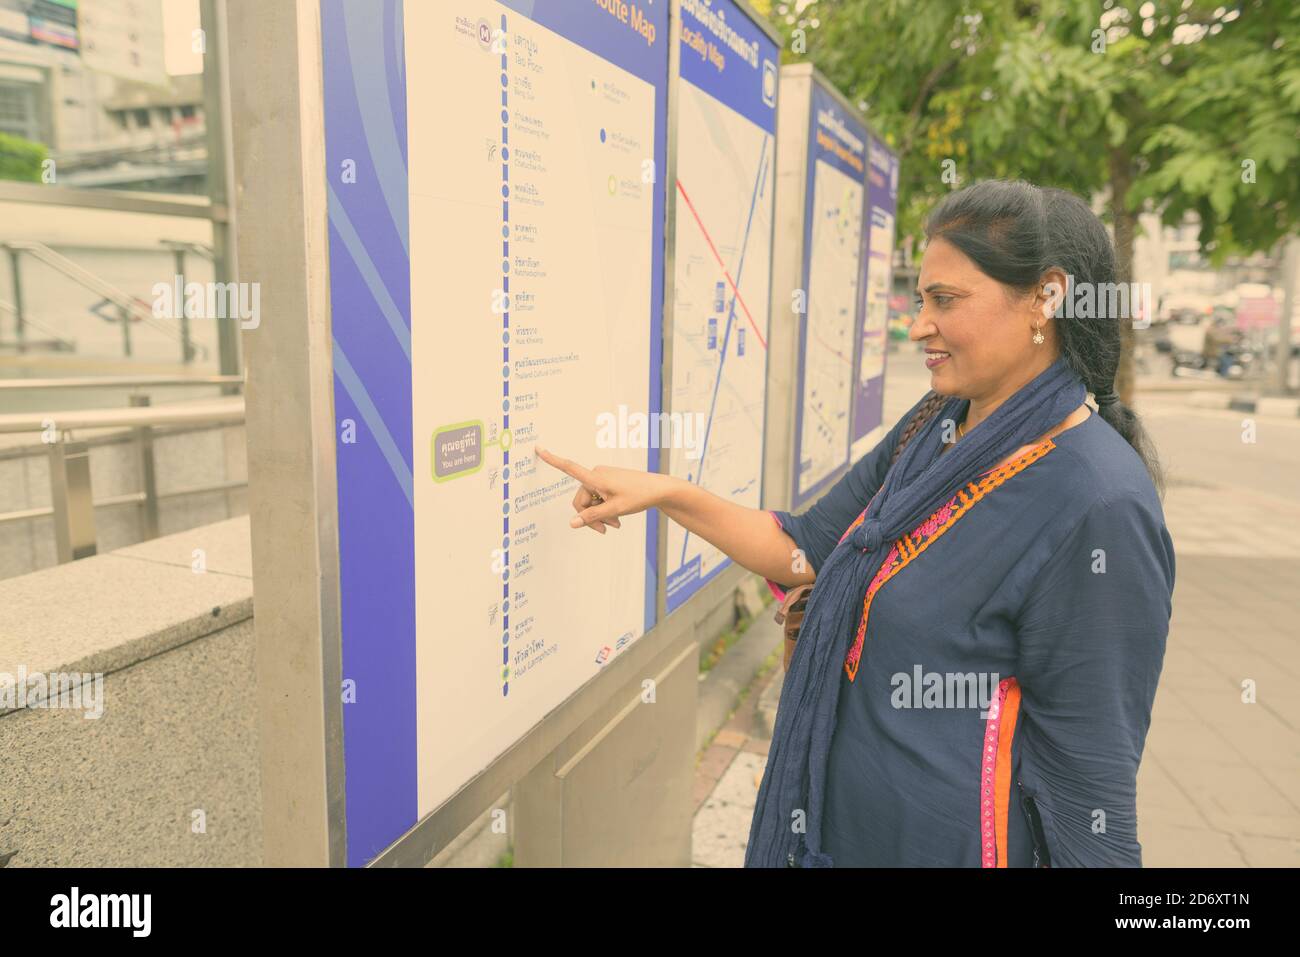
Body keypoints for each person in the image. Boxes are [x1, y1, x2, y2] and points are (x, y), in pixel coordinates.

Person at [537, 179, 1174, 868]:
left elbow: (1093, 788)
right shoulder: (935, 428)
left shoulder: (1099, 501)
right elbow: (803, 552)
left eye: (944, 300)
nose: (919, 323)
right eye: (920, 297)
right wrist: (665, 492)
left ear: (1046, 299)